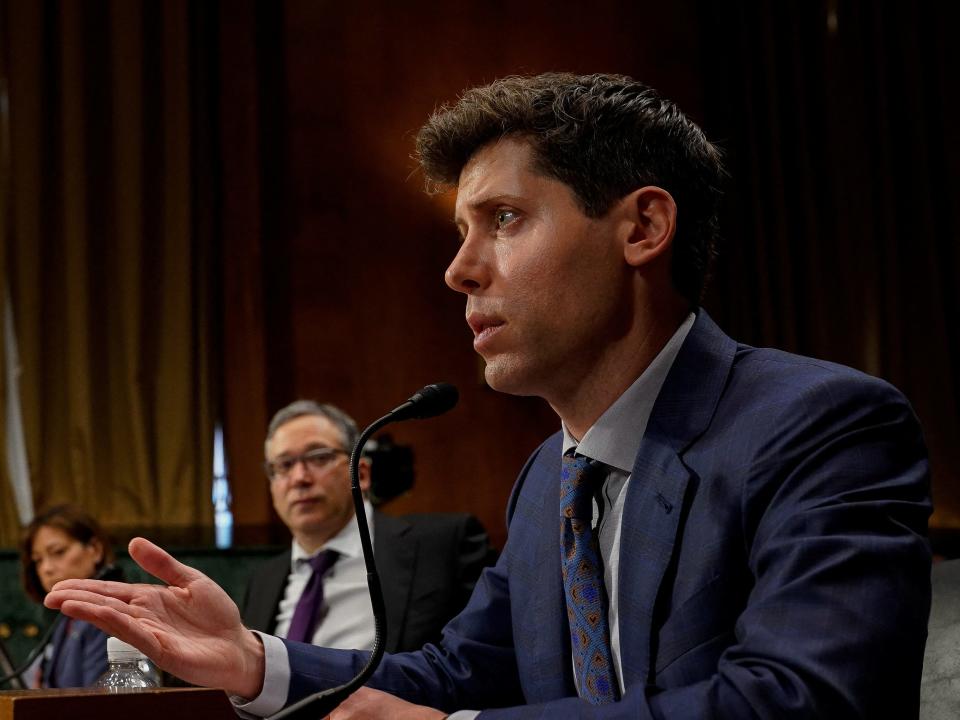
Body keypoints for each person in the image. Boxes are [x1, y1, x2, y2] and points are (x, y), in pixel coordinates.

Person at [45, 73, 932, 718]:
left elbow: (801, 701)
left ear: (643, 227)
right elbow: (456, 673)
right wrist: (253, 661)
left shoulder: (822, 424)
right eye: (462, 231)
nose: (459, 269)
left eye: (504, 220)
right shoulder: (551, 472)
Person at [240, 399, 492, 652]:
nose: (300, 478)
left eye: (319, 457)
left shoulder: (443, 545)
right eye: (284, 465)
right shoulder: (263, 580)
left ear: (360, 474)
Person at [20, 504, 123, 688]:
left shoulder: (108, 613)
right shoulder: (68, 614)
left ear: (95, 550)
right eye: (38, 560)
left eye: (58, 552)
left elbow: (97, 702)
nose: (46, 568)